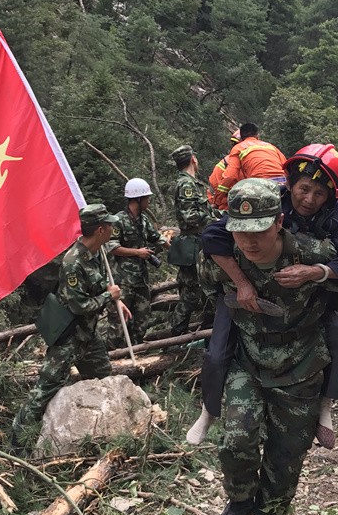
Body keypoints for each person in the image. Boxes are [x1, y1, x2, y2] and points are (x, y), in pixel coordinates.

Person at [202, 178, 338, 515]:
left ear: (279, 221)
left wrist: (317, 274)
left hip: (300, 369)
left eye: (260, 231)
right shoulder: (225, 254)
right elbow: (208, 274)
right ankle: (240, 499)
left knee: (286, 458)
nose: (250, 241)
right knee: (236, 439)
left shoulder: (311, 253)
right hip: (249, 362)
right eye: (241, 230)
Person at [188, 144, 338, 448]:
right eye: (304, 189)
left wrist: (314, 272)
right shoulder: (267, 200)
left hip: (300, 297)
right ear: (291, 183)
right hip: (248, 289)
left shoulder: (331, 218)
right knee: (217, 352)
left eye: (319, 193)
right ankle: (208, 412)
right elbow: (213, 235)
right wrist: (241, 282)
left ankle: (325, 408)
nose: (309, 199)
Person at [11, 204, 130, 448]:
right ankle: (17, 443)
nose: (112, 228)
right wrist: (109, 297)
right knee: (45, 389)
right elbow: (79, 306)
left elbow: (99, 287)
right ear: (100, 230)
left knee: (103, 378)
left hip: (88, 336)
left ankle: (101, 433)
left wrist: (117, 300)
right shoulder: (73, 263)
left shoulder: (97, 254)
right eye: (108, 224)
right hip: (69, 337)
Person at [105, 179, 168, 347]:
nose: (148, 201)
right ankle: (113, 358)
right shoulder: (119, 220)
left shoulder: (143, 219)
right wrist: (137, 252)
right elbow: (112, 247)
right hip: (123, 281)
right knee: (119, 323)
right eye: (146, 198)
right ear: (138, 199)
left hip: (140, 280)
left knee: (141, 320)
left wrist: (168, 242)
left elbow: (155, 236)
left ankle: (136, 353)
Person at [169, 145, 219, 336]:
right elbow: (189, 216)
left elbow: (204, 211)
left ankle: (207, 330)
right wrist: (214, 221)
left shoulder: (191, 183)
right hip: (192, 244)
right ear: (193, 160)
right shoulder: (186, 185)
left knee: (205, 288)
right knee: (191, 292)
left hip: (199, 242)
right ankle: (176, 336)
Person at [213, 123, 286, 210]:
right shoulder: (271, 147)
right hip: (283, 184)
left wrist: (217, 201)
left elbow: (230, 176)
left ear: (242, 137)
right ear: (257, 135)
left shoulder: (238, 148)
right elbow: (287, 167)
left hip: (261, 187)